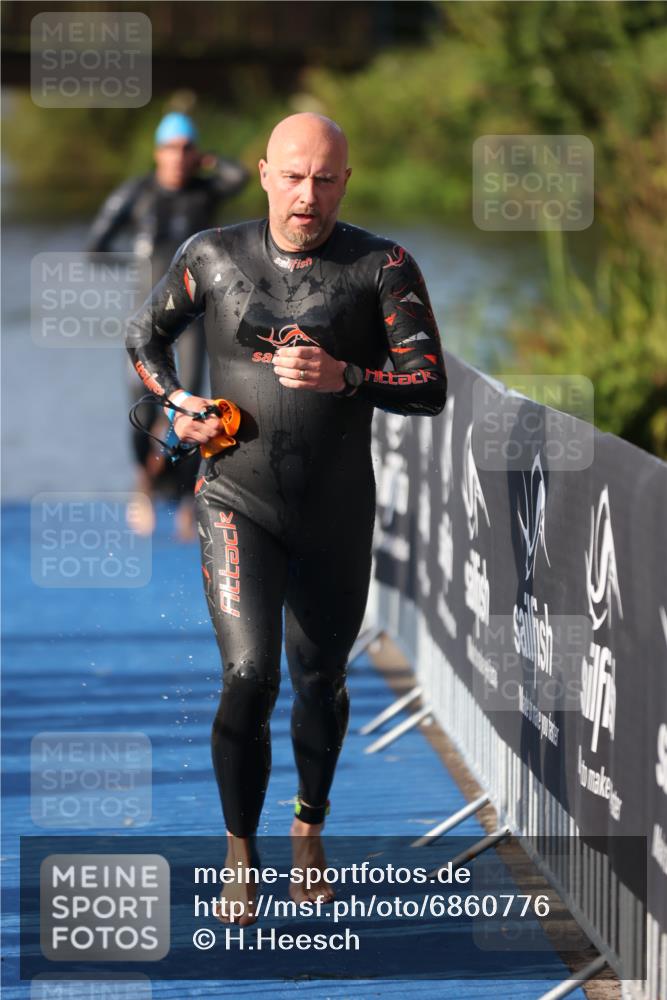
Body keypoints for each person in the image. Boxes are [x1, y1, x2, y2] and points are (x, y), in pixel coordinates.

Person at [126, 112, 447, 923]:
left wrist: (348, 375)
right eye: (294, 176)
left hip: (335, 511)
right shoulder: (211, 256)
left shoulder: (383, 267)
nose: (308, 196)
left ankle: (308, 824)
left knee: (319, 680)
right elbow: (144, 339)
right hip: (236, 498)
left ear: (346, 181)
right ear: (264, 173)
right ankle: (240, 846)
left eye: (326, 179)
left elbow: (429, 386)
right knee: (249, 676)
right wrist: (174, 407)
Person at [88, 112, 249, 538]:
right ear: (157, 153)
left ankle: (183, 497)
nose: (178, 158)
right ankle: (143, 483)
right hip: (149, 319)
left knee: (190, 401)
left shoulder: (206, 189)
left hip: (195, 317)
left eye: (186, 150)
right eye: (171, 149)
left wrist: (208, 162)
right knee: (142, 401)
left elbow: (241, 176)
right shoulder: (137, 193)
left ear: (195, 155)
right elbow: (96, 244)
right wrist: (135, 264)